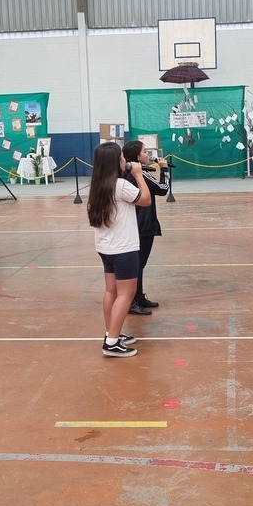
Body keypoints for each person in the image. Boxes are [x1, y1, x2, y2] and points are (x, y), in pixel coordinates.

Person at [87, 141, 150, 357]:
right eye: (122, 158)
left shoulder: (97, 186)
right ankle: (112, 343)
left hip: (106, 247)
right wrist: (139, 175)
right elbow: (145, 200)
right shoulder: (121, 185)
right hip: (124, 249)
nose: (125, 160)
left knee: (111, 291)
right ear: (116, 162)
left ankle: (111, 333)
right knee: (126, 293)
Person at [122, 140, 169, 315]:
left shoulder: (126, 174)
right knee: (138, 265)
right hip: (143, 225)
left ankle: (138, 296)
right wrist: (164, 169)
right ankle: (132, 300)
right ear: (136, 156)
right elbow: (163, 189)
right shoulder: (140, 174)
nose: (148, 154)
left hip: (134, 224)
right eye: (144, 151)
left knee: (138, 264)